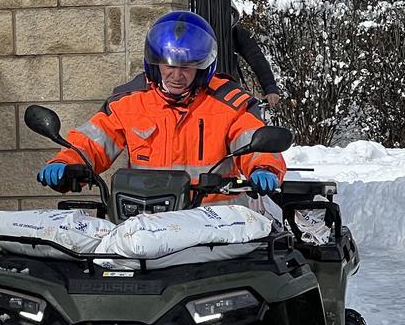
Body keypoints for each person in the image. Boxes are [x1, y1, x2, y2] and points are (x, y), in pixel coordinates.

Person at [36, 11, 284, 200]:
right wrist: (67, 162)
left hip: (213, 228)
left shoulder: (229, 103)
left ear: (203, 67)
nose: (177, 76)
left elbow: (251, 139)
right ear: (155, 64)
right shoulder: (129, 102)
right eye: (169, 66)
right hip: (144, 220)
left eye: (186, 67)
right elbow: (93, 141)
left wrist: (263, 167)